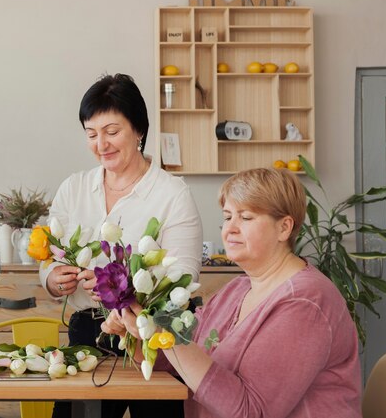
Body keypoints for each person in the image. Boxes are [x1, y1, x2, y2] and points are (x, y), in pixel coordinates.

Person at [102, 167, 362, 418]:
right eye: (227, 217)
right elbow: (177, 363)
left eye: (246, 217)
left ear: (284, 228)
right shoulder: (237, 290)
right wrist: (138, 334)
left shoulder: (306, 302)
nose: (230, 228)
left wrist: (164, 334)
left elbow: (251, 411)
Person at [39, 73, 203, 418]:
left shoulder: (172, 194)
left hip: (151, 337)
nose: (102, 144)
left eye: (112, 132)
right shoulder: (74, 188)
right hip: (88, 335)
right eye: (91, 134)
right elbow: (49, 260)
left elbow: (183, 280)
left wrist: (118, 293)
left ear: (139, 130)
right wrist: (55, 279)